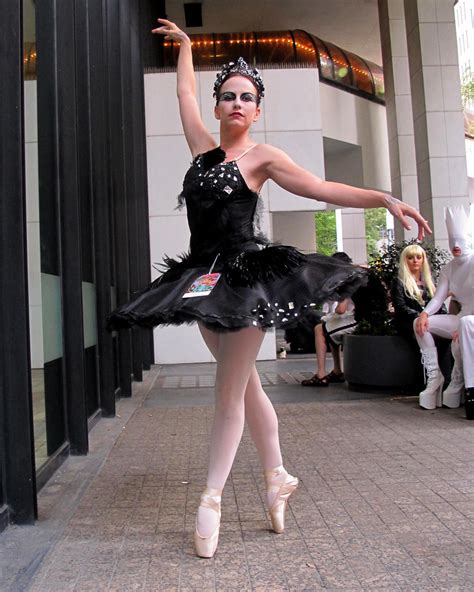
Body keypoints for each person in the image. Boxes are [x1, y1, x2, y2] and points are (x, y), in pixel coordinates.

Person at [108, 19, 431, 558]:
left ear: (257, 110)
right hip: (202, 280)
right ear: (218, 106)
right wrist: (188, 49)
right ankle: (278, 475)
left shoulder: (264, 159)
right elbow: (184, 91)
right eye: (229, 95)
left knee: (229, 392)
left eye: (247, 97)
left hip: (246, 280)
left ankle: (210, 499)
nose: (237, 103)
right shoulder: (202, 152)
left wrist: (383, 198)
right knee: (247, 386)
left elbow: (322, 185)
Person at [414, 206, 474, 415]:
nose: (456, 245)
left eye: (460, 240)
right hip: (461, 318)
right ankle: (434, 376)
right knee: (420, 324)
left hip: (471, 319)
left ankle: (457, 380)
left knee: (462, 337)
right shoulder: (448, 268)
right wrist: (424, 314)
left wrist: (465, 324)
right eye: (452, 240)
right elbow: (439, 297)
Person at [301, 252, 357, 386]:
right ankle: (337, 370)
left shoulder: (347, 280)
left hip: (356, 319)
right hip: (358, 316)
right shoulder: (354, 275)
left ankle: (321, 374)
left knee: (319, 329)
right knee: (328, 327)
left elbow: (341, 309)